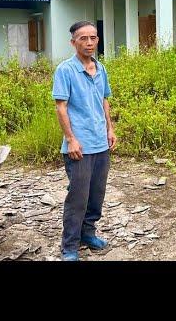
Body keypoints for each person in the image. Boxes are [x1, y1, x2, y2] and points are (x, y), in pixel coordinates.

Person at [52, 21, 117, 261]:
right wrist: (71, 139)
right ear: (73, 42)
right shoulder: (65, 70)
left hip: (101, 143)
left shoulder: (101, 69)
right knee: (77, 196)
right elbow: (61, 106)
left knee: (96, 193)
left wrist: (110, 129)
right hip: (79, 146)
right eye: (83, 39)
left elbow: (104, 100)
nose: (89, 42)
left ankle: (88, 233)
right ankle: (69, 246)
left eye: (93, 38)